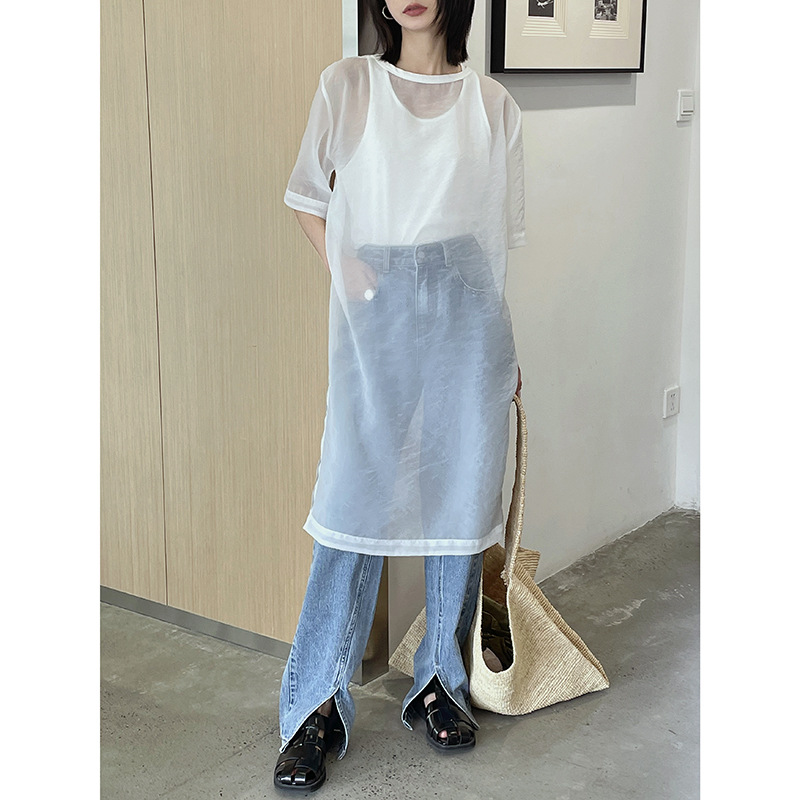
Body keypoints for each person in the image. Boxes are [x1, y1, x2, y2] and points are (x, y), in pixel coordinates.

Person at [274, 0, 526, 791]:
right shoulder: (348, 85)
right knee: (353, 495)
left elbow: (495, 244)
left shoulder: (493, 105)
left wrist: (505, 352)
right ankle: (315, 704)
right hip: (377, 296)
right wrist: (344, 266)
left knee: (461, 494)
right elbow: (307, 195)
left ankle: (441, 683)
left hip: (466, 294)